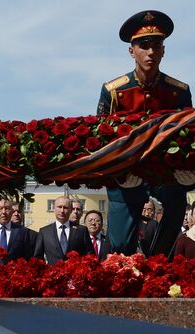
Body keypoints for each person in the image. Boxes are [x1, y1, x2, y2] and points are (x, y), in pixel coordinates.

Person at [96, 10, 194, 256]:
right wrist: (118, 173)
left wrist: (190, 174)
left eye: (157, 45)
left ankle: (158, 260)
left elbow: (189, 139)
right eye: (144, 45)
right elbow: (100, 142)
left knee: (176, 201)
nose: (151, 52)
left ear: (163, 50)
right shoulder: (114, 92)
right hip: (126, 175)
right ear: (132, 51)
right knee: (118, 246)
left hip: (163, 174)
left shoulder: (179, 91)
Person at [34, 196, 93, 265]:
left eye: (65, 208)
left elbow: (89, 255)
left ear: (70, 210)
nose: (62, 211)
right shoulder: (44, 232)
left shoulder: (81, 230)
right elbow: (38, 258)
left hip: (75, 274)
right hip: (52, 274)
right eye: (59, 207)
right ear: (54, 208)